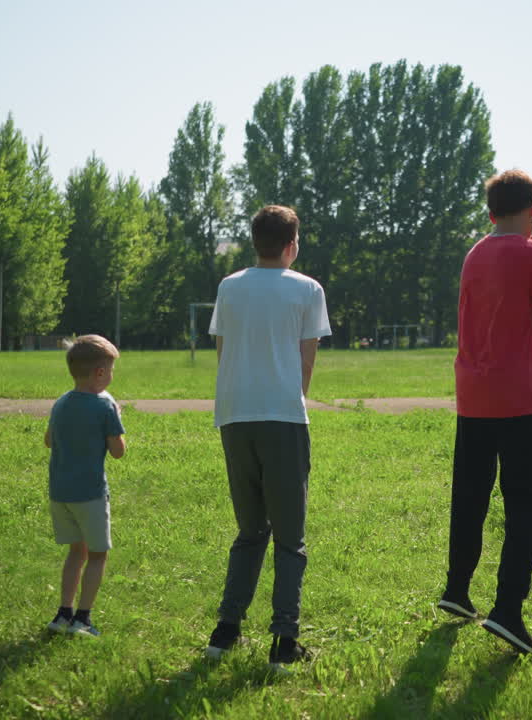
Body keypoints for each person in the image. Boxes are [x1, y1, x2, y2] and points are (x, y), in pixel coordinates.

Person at [204, 204, 332, 671]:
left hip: (234, 417)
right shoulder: (307, 289)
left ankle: (225, 631)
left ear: (253, 240)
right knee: (290, 537)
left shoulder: (229, 286)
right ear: (292, 244)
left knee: (250, 530)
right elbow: (307, 361)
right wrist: (290, 401)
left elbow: (223, 351)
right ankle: (284, 640)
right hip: (282, 418)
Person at [438, 169, 532, 654]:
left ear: (490, 211)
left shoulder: (474, 252)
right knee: (525, 505)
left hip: (473, 393)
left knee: (469, 495)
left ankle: (457, 590)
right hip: (519, 397)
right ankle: (508, 609)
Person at [43, 334, 127, 637]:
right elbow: (118, 452)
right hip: (90, 494)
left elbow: (49, 441)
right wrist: (116, 419)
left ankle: (63, 614)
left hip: (60, 494)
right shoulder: (105, 407)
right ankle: (83, 619)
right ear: (100, 373)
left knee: (74, 552)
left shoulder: (61, 403)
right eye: (111, 369)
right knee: (97, 555)